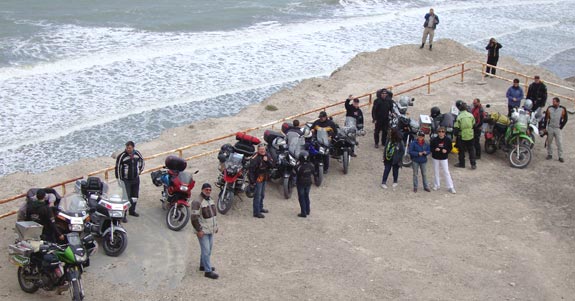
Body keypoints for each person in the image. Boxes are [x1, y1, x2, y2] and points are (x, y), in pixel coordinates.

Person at [190, 183, 219, 280]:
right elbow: (194, 218)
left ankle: (203, 265)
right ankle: (208, 271)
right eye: (206, 189)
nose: (208, 191)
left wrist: (215, 227)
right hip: (203, 231)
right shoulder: (197, 202)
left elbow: (214, 215)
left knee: (208, 249)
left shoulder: (210, 200)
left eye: (210, 190)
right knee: (206, 251)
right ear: (202, 190)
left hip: (210, 230)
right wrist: (199, 230)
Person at [115, 141, 144, 219]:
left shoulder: (137, 154)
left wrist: (140, 170)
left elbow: (142, 161)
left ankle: (132, 211)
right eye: (127, 147)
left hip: (135, 179)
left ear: (133, 148)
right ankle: (123, 214)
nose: (128, 149)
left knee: (135, 196)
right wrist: (119, 179)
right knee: (126, 197)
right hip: (126, 180)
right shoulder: (122, 156)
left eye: (129, 148)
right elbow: (117, 168)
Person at [248, 143, 274, 218]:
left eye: (263, 149)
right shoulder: (255, 158)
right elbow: (251, 171)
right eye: (261, 150)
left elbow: (272, 165)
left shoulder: (267, 155)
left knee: (262, 194)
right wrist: (252, 182)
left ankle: (260, 208)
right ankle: (256, 212)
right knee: (257, 195)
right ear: (258, 150)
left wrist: (267, 161)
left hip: (265, 177)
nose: (262, 151)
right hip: (258, 178)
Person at [430, 127, 456, 194]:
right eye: (439, 131)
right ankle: (436, 185)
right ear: (437, 132)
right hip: (435, 157)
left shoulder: (447, 140)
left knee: (446, 172)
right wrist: (435, 149)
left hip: (444, 158)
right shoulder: (434, 140)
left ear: (444, 133)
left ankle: (450, 186)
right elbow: (431, 148)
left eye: (442, 131)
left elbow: (450, 147)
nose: (441, 133)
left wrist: (446, 151)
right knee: (436, 171)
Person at [543, 97, 568, 162]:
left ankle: (560, 156)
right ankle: (550, 154)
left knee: (559, 143)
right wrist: (545, 128)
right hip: (550, 127)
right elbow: (546, 119)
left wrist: (561, 126)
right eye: (553, 101)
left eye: (554, 101)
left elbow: (566, 119)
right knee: (549, 142)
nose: (553, 103)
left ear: (558, 102)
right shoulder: (549, 108)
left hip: (557, 128)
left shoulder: (562, 109)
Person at [454, 102, 477, 169]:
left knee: (461, 151)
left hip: (462, 136)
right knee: (471, 150)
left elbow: (456, 128)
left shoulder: (459, 117)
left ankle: (462, 164)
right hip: (470, 135)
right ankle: (473, 164)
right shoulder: (471, 115)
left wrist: (455, 135)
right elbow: (474, 125)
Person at [295, 152, 314, 218]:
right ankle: (307, 210)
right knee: (306, 196)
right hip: (308, 182)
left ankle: (303, 212)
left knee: (301, 197)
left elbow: (296, 171)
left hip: (301, 182)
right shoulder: (311, 165)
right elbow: (313, 171)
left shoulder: (299, 166)